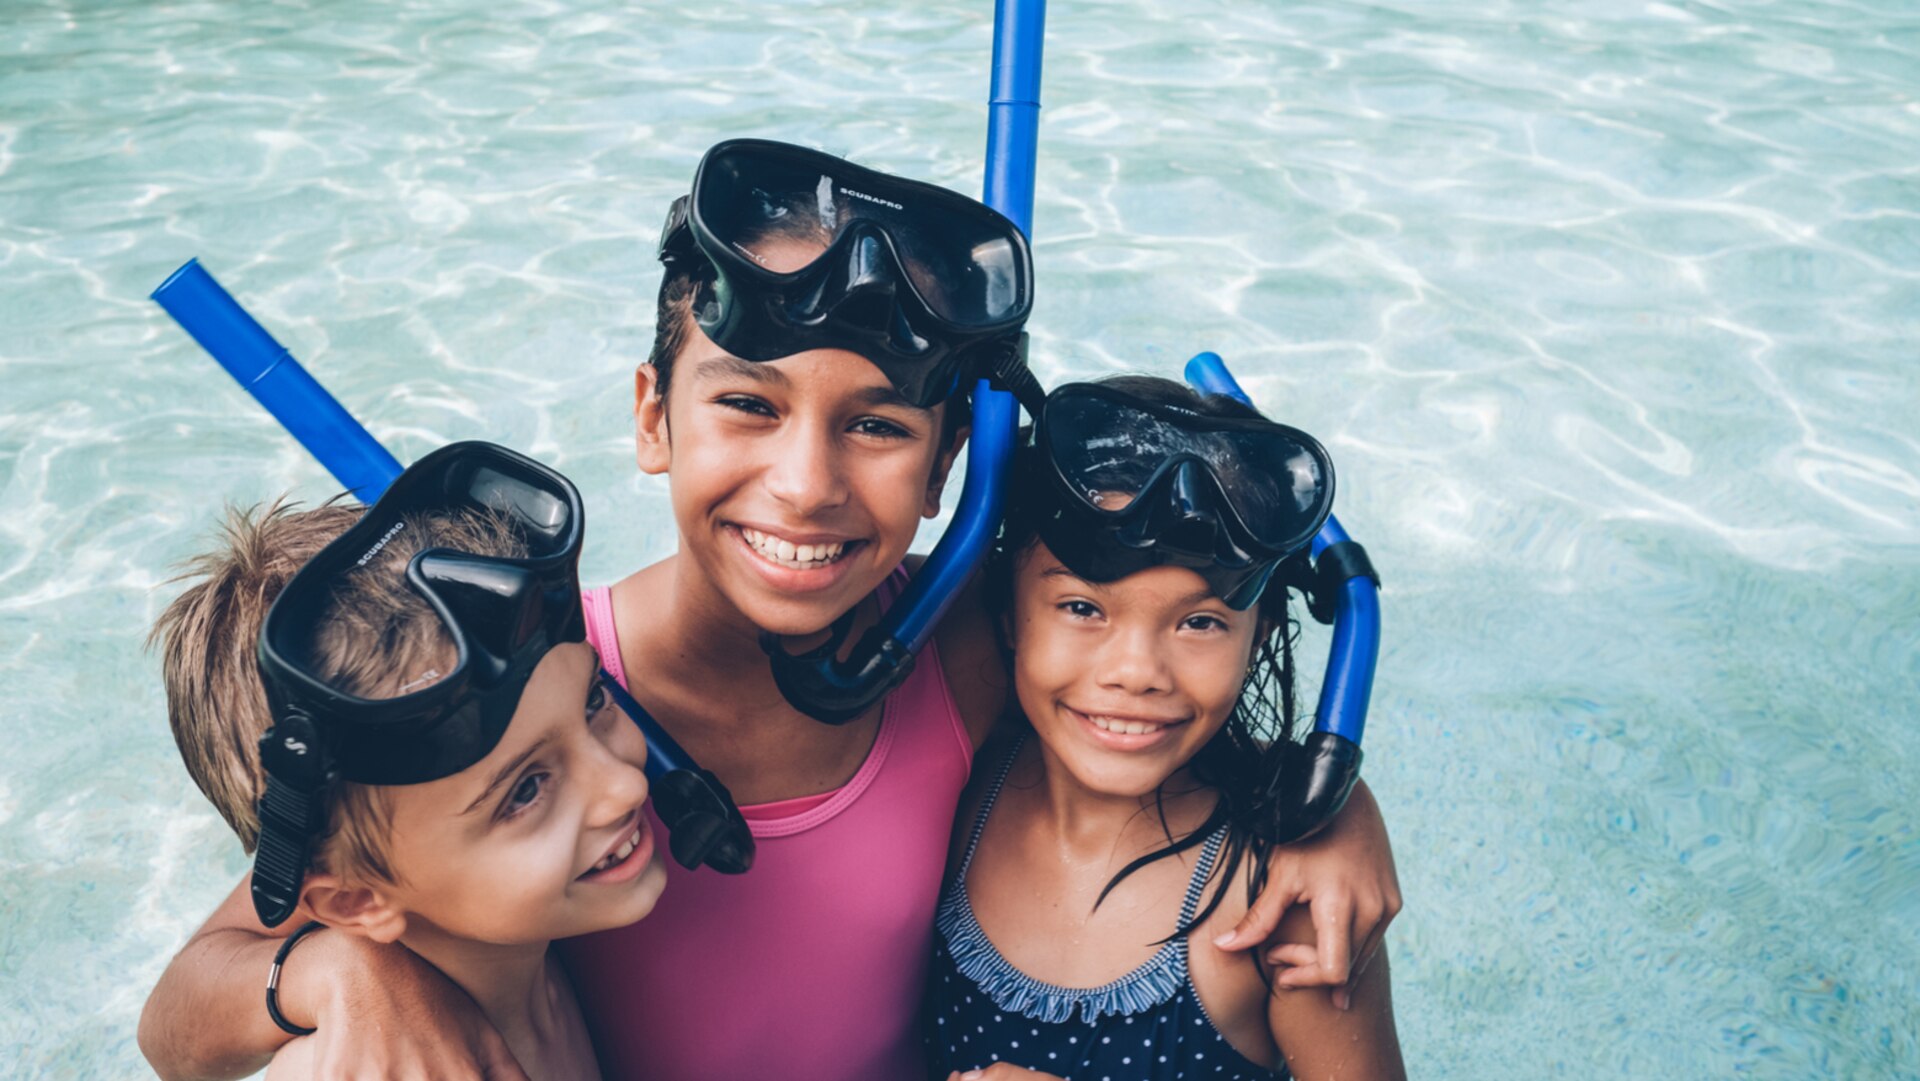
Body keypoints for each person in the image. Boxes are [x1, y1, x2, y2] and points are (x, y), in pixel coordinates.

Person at [140, 141, 1400, 1081]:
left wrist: (1325, 805)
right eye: (748, 404)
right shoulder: (529, 675)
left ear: (950, 460)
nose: (806, 485)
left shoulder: (953, 648)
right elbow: (189, 1003)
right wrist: (335, 972)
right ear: (652, 416)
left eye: (877, 424)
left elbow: (1144, 644)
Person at [924, 377, 1405, 1081]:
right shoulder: (954, 776)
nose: (1137, 671)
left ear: (1259, 634)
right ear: (1007, 614)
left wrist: (1343, 812)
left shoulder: (1278, 905)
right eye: (1083, 607)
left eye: (1200, 621)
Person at [144, 445, 668, 1080]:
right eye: (526, 791)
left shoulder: (519, 953)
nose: (622, 783)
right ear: (357, 900)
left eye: (591, 702)